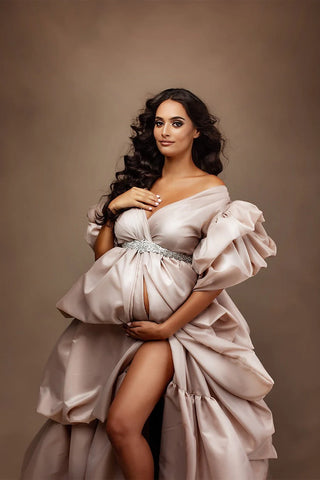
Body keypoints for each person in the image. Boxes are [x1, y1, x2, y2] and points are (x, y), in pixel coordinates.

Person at [20, 87, 277, 480]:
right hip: (118, 331)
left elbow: (215, 279)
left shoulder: (212, 192)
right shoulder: (140, 184)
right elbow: (107, 262)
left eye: (177, 123)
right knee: (100, 428)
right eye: (159, 122)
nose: (165, 131)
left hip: (175, 332)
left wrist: (166, 328)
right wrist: (111, 213)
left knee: (123, 425)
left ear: (196, 132)